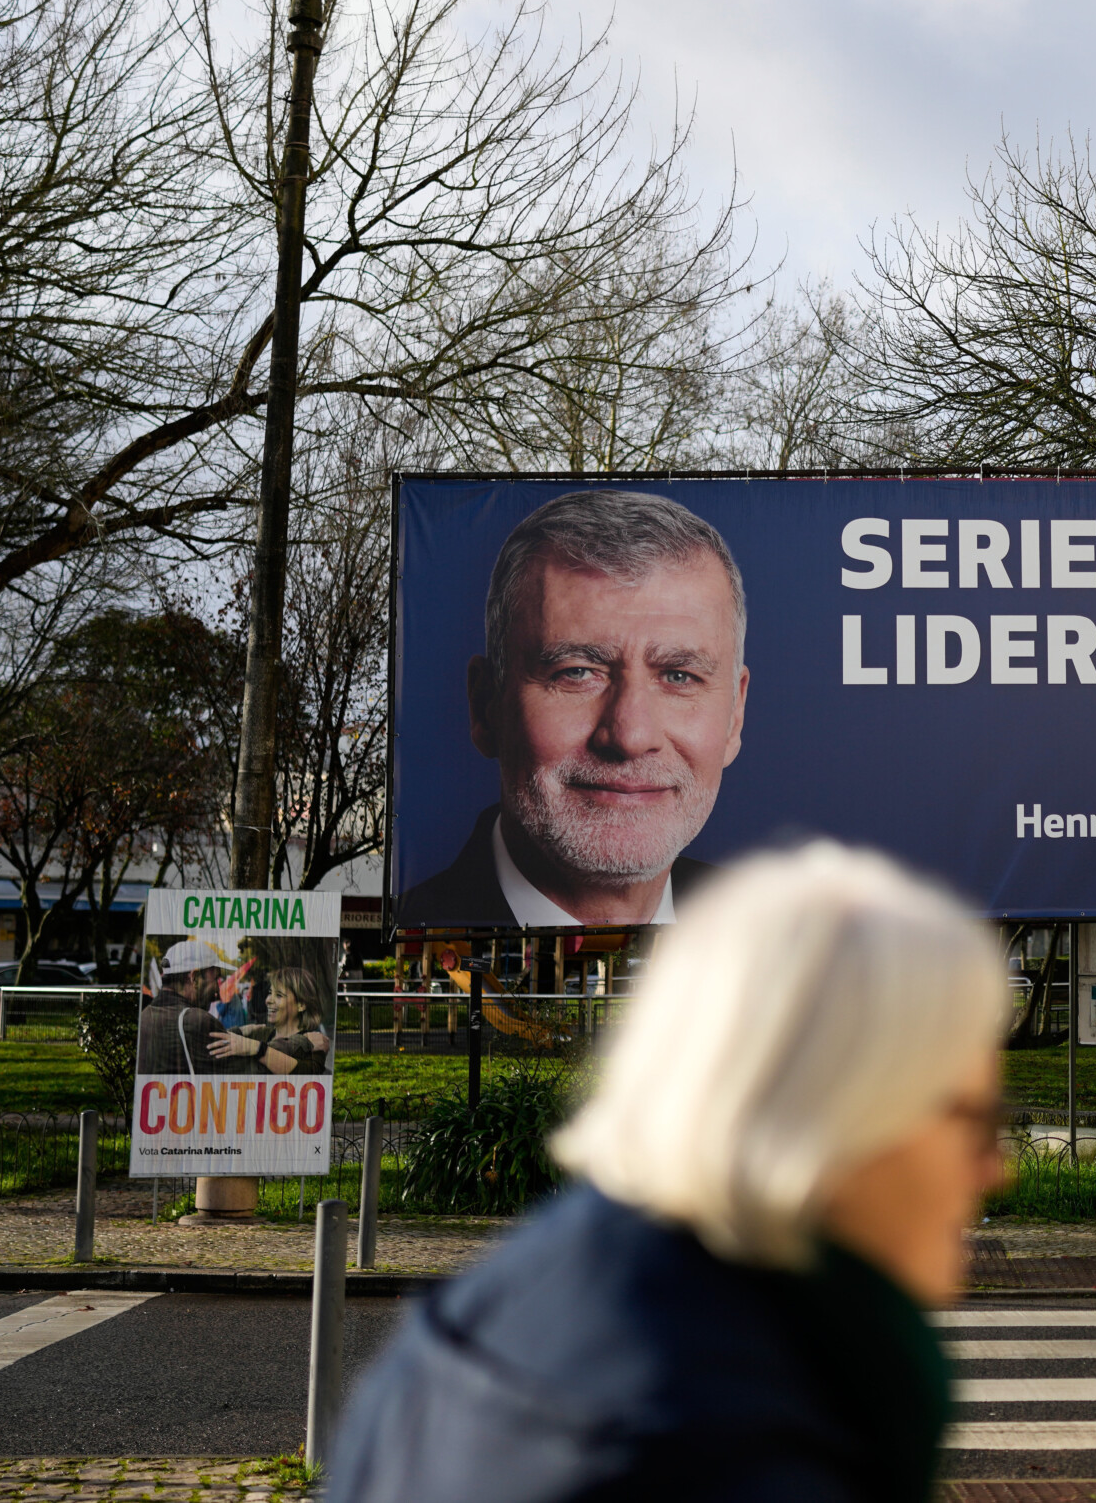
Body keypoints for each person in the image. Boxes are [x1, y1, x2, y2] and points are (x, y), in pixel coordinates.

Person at [330, 843, 1011, 1503]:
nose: (995, 1168)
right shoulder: (734, 1455)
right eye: (976, 1118)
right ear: (849, 1107)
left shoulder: (509, 1299)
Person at [397, 490, 748, 931]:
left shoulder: (783, 947)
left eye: (679, 676)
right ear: (486, 705)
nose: (630, 736)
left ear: (735, 714)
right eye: (577, 672)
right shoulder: (414, 928)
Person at [136, 939, 247, 1075]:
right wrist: (264, 1049)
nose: (218, 990)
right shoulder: (197, 1020)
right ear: (194, 978)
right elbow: (243, 1076)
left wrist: (240, 1032)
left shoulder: (145, 1016)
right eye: (215, 979)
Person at [207, 966, 331, 1075]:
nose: (268, 1000)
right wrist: (240, 1031)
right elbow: (212, 1048)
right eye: (270, 993)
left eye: (278, 995)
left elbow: (304, 1073)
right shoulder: (258, 1034)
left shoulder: (315, 1044)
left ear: (301, 1005)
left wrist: (256, 1049)